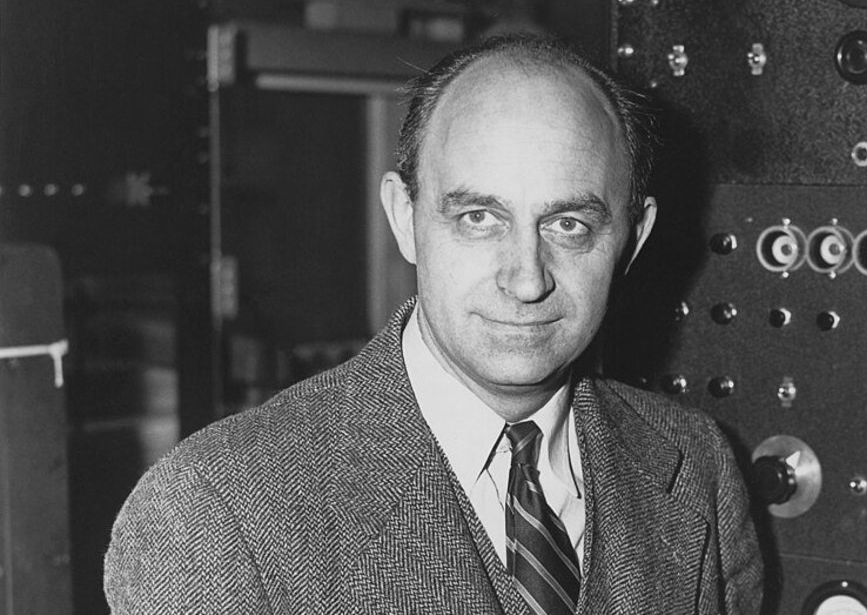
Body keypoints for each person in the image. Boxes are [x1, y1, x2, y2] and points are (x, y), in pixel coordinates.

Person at [104, 34, 763, 614]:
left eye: (569, 225)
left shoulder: (696, 467)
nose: (526, 279)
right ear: (404, 217)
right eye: (478, 218)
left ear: (633, 239)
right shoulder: (215, 511)